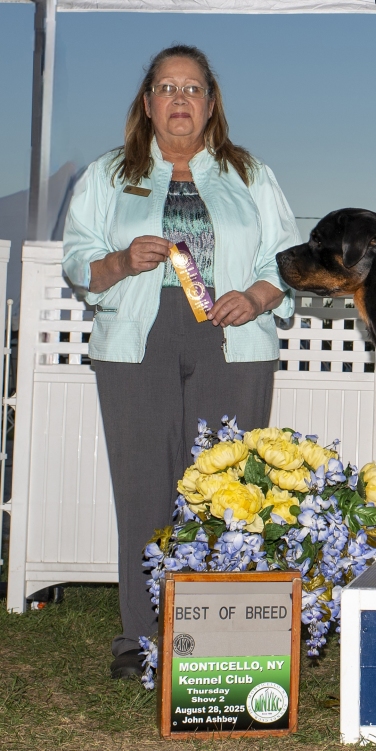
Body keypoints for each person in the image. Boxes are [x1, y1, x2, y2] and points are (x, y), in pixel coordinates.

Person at [63, 45, 300, 679]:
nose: (179, 100)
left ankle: (221, 641)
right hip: (136, 344)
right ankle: (141, 641)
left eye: (192, 88)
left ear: (211, 104)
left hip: (233, 340)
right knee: (144, 490)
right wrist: (119, 261)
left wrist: (254, 297)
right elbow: (77, 257)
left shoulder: (252, 174)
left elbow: (286, 259)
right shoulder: (108, 173)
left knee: (228, 491)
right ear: (147, 103)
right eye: (166, 88)